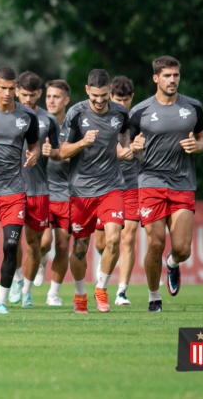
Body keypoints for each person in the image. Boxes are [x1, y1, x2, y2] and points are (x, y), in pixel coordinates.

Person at [128, 56, 203, 312]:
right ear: (155, 78)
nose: (172, 80)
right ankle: (153, 297)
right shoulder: (139, 111)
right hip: (150, 181)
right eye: (167, 76)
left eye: (175, 75)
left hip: (183, 183)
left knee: (182, 249)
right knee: (155, 242)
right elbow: (127, 147)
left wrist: (198, 145)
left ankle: (172, 264)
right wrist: (134, 147)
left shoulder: (194, 107)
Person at [59, 69, 131, 313]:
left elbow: (123, 140)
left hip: (112, 186)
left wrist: (128, 149)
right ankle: (80, 294)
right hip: (81, 190)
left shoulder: (120, 112)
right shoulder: (76, 113)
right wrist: (82, 143)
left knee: (113, 239)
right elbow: (61, 152)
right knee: (80, 248)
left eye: (104, 95)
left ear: (109, 90)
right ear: (87, 90)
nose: (100, 101)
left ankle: (101, 288)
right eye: (95, 96)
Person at [0, 67, 39, 314]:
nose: (7, 93)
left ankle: (1, 300)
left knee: (11, 246)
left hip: (14, 191)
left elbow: (34, 145)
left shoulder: (27, 117)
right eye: (3, 88)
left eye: (12, 89)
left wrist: (34, 154)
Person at [10, 71, 60, 308]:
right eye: (24, 94)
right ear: (16, 91)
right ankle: (17, 279)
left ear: (39, 93)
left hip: (39, 188)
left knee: (35, 244)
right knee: (12, 241)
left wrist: (54, 154)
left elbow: (59, 152)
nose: (28, 99)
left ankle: (27, 292)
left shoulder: (49, 121)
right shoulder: (5, 115)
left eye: (32, 95)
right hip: (11, 189)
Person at [110, 76, 141, 306]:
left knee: (128, 236)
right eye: (118, 99)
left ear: (132, 98)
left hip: (132, 183)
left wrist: (140, 147)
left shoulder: (139, 120)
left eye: (126, 99)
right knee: (104, 243)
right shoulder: (103, 119)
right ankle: (103, 281)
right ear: (110, 97)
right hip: (106, 185)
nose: (122, 104)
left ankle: (121, 291)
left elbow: (149, 147)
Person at [40, 79, 72, 306]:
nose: (51, 100)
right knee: (43, 243)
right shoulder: (38, 122)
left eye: (56, 97)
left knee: (62, 245)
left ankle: (53, 293)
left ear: (66, 100)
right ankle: (41, 261)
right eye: (49, 96)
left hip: (68, 192)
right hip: (41, 190)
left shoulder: (74, 125)